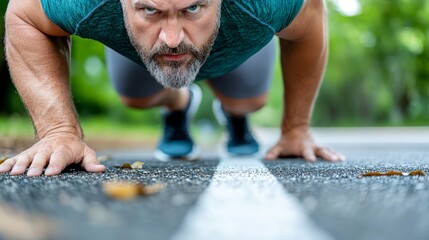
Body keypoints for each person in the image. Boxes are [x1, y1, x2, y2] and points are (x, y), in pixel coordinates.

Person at [1, 0, 345, 177]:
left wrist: (295, 129)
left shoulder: (267, 6)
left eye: (193, 7)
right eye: (150, 9)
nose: (172, 38)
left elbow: (310, 21)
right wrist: (58, 131)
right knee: (134, 98)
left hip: (239, 46)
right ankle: (178, 104)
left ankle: (234, 116)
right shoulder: (88, 4)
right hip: (141, 57)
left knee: (248, 102)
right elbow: (24, 14)